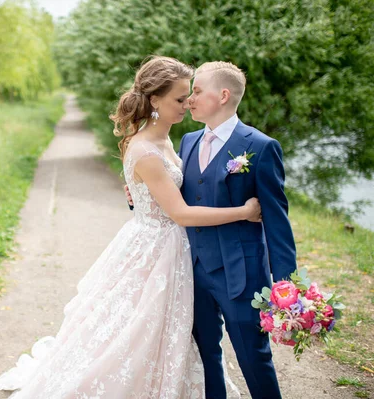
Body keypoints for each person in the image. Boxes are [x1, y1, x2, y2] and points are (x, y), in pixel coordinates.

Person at [0, 56, 262, 398]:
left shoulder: (169, 142)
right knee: (137, 329)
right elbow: (180, 213)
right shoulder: (147, 151)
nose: (188, 103)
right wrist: (244, 211)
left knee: (161, 328)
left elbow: (173, 190)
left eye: (189, 95)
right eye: (180, 99)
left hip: (167, 243)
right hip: (157, 249)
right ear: (154, 100)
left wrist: (139, 196)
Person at [127, 61, 297, 398]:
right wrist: (136, 197)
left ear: (222, 96)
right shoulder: (187, 141)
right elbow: (176, 200)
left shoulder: (260, 147)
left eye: (197, 91)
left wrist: (286, 287)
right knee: (204, 360)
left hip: (241, 273)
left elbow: (277, 222)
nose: (189, 99)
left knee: (254, 357)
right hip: (190, 272)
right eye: (187, 95)